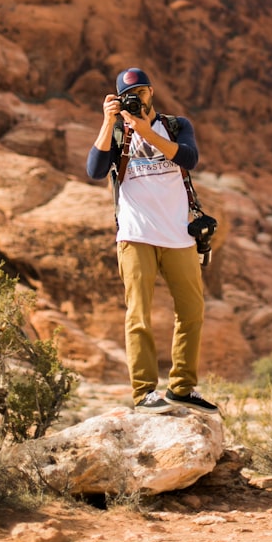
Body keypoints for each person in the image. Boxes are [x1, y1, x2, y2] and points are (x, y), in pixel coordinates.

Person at [86, 67, 218, 415]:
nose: (137, 98)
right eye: (129, 94)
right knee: (139, 314)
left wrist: (148, 132)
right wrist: (107, 121)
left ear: (151, 92)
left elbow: (189, 158)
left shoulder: (176, 126)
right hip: (135, 235)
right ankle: (144, 392)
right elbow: (95, 171)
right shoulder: (116, 132)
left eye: (142, 91)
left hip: (178, 236)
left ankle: (181, 389)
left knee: (192, 313)